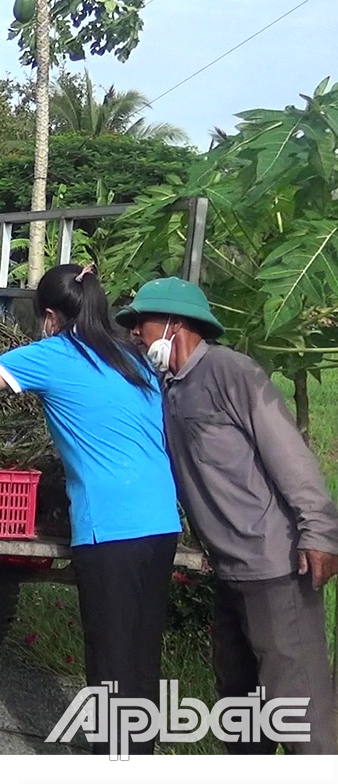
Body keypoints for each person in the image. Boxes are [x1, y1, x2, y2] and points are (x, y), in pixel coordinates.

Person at [0, 263, 182, 756]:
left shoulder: (54, 354)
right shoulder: (132, 359)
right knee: (140, 648)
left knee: (110, 653)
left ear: (51, 315)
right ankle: (139, 754)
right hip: (160, 520)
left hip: (110, 525)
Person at [116, 277, 338, 755]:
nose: (136, 333)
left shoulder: (232, 373)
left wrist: (319, 531)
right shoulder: (166, 387)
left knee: (299, 708)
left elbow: (291, 457)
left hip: (276, 568)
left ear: (177, 324)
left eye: (143, 323)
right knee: (239, 707)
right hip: (228, 569)